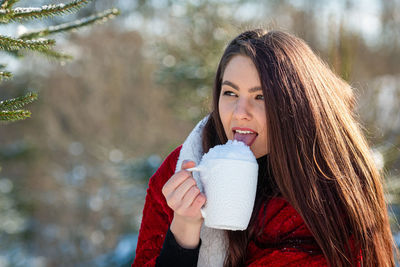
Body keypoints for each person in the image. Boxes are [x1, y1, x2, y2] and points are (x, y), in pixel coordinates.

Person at [132, 29, 397, 267]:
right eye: (230, 93)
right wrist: (183, 232)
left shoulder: (325, 195)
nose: (240, 113)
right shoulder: (185, 169)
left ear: (296, 104)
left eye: (261, 97)